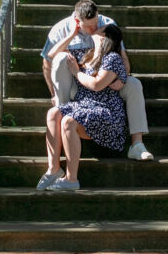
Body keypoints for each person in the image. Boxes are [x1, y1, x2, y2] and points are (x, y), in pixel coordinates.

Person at [39, 0, 153, 178]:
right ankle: (63, 112)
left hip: (104, 82)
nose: (94, 29)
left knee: (135, 84)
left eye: (96, 24)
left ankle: (137, 144)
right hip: (76, 86)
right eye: (89, 27)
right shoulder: (60, 29)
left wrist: (123, 78)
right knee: (60, 59)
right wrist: (53, 93)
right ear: (77, 21)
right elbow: (48, 61)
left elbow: (121, 56)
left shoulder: (107, 25)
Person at [38, 24, 128, 191]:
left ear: (104, 38)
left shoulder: (113, 59)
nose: (93, 32)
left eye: (98, 31)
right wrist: (71, 35)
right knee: (53, 113)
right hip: (83, 106)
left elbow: (96, 85)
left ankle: (71, 179)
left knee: (68, 121)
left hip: (104, 111)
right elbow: (51, 55)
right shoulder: (88, 55)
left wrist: (76, 72)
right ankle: (54, 169)